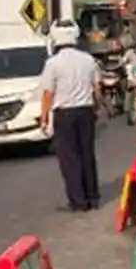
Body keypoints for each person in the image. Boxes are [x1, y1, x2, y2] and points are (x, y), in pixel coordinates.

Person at [39, 19, 101, 212]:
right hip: (85, 111)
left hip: (64, 113)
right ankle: (92, 197)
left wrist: (44, 118)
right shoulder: (88, 60)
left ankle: (78, 201)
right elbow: (97, 89)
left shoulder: (52, 64)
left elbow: (48, 93)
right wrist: (96, 109)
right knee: (87, 154)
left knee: (69, 158)